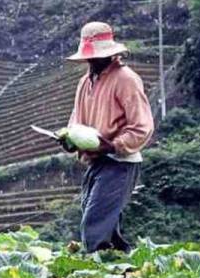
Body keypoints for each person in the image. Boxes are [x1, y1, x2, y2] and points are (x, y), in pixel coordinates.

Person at [62, 21, 154, 253]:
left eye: (96, 57)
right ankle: (125, 269)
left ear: (110, 54)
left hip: (120, 162)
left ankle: (98, 274)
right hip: (98, 161)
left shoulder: (126, 79)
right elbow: (76, 123)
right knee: (104, 223)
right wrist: (69, 140)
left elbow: (142, 126)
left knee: (94, 224)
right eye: (89, 58)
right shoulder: (85, 82)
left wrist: (113, 145)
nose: (91, 62)